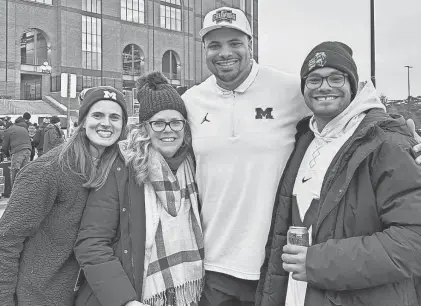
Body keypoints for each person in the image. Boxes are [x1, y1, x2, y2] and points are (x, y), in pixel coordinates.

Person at [256, 41, 421, 306]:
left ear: (353, 86)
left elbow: (413, 241)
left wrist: (318, 263)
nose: (324, 87)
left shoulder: (386, 142)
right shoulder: (304, 139)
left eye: (336, 78)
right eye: (313, 79)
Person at [181, 7, 311, 305]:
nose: (224, 52)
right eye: (215, 45)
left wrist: (405, 142)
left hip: (275, 264)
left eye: (235, 43)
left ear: (250, 45)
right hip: (212, 264)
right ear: (204, 49)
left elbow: (348, 113)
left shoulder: (289, 89)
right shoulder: (191, 101)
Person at [74, 71, 205, 306]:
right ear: (145, 127)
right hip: (136, 295)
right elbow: (92, 242)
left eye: (175, 121)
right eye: (158, 122)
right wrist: (125, 300)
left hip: (188, 294)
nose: (168, 129)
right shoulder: (124, 166)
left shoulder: (195, 165)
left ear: (185, 127)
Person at [0, 86, 128, 305]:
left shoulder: (117, 168)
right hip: (39, 297)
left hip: (85, 295)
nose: (106, 123)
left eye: (114, 117)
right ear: (83, 121)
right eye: (97, 115)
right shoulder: (48, 170)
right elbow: (7, 240)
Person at [1, 116, 32, 188]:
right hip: (28, 150)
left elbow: (5, 146)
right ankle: (23, 190)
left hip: (18, 151)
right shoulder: (24, 129)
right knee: (24, 171)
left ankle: (14, 191)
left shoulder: (8, 130)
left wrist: (7, 156)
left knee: (14, 171)